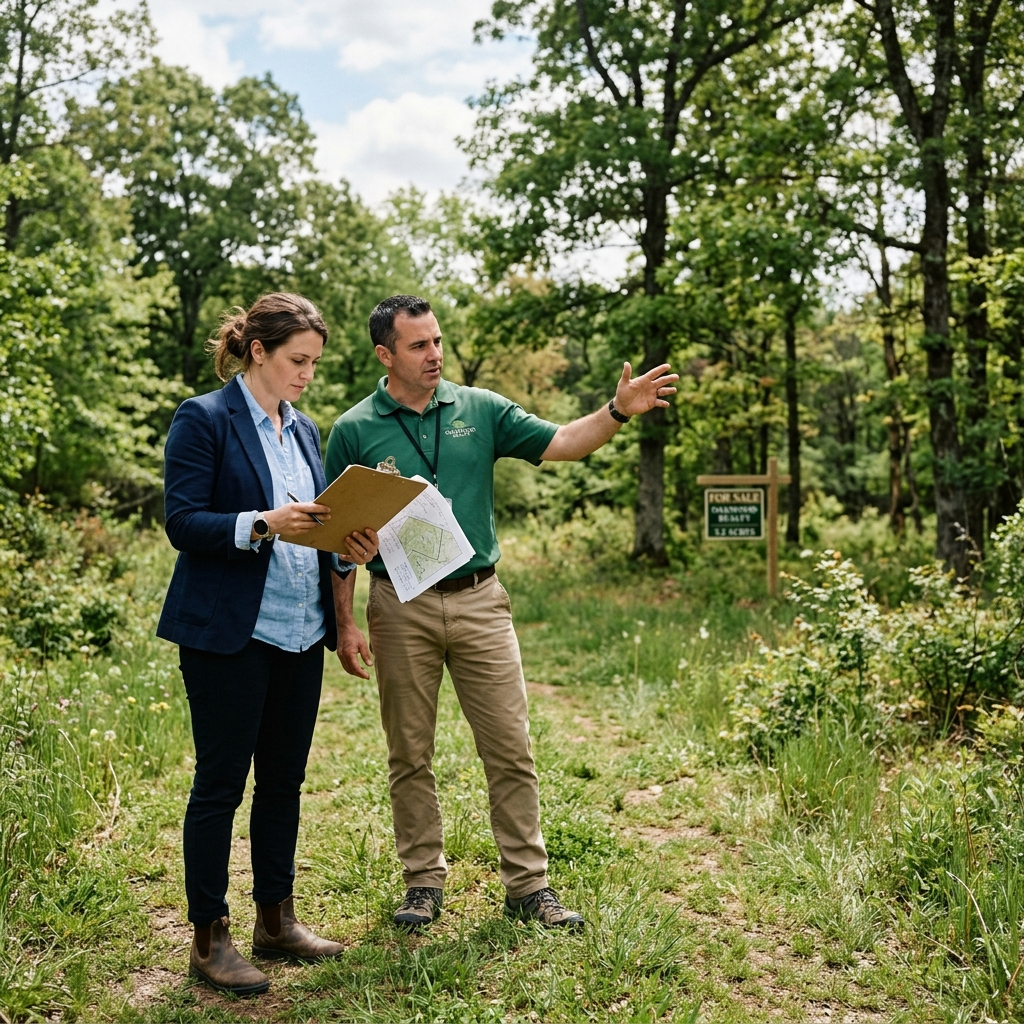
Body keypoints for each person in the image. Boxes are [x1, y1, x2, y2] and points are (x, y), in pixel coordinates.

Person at [325, 294, 677, 931]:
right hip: (399, 605)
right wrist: (345, 622)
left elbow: (565, 442)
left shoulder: (480, 409)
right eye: (418, 345)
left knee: (510, 749)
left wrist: (617, 412)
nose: (434, 355)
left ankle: (528, 888)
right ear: (385, 354)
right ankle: (422, 883)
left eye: (437, 341)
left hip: (481, 599)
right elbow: (338, 537)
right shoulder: (354, 428)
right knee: (410, 752)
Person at [157, 293, 379, 995]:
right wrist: (262, 523)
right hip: (229, 632)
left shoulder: (306, 432)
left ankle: (276, 921)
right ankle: (208, 936)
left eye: (314, 362)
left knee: (283, 781)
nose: (307, 374)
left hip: (298, 629)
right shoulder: (204, 418)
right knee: (220, 785)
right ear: (258, 351)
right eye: (297, 361)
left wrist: (349, 546)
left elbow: (317, 528)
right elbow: (183, 522)